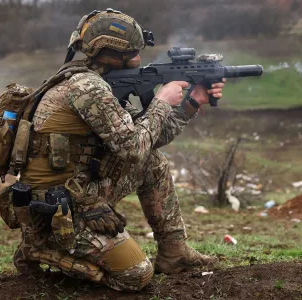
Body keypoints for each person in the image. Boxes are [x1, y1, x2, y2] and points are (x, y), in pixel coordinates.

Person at [11, 9, 226, 291]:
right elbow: (133, 147)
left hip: (77, 192)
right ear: (115, 54)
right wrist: (161, 102)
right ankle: (39, 249)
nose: (140, 58)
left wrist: (191, 102)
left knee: (153, 162)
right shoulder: (89, 89)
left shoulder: (97, 82)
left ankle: (175, 253)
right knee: (136, 275)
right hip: (58, 207)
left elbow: (147, 142)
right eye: (135, 52)